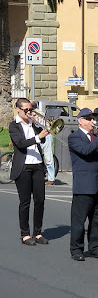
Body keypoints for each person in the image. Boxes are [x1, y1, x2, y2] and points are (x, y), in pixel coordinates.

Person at [68, 108, 98, 261]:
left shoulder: (96, 138)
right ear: (80, 120)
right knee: (79, 221)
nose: (92, 122)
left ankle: (95, 248)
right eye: (88, 119)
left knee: (97, 220)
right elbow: (86, 151)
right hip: (84, 185)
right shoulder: (74, 137)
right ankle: (76, 250)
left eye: (93, 118)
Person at [8, 98, 49, 246]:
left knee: (40, 200)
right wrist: (38, 137)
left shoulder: (34, 124)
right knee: (25, 202)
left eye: (30, 109)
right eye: (26, 110)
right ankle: (24, 234)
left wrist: (40, 125)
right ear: (18, 109)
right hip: (23, 167)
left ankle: (38, 232)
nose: (29, 112)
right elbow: (20, 144)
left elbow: (43, 141)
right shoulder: (14, 126)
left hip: (37, 164)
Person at [30, 101, 56, 185]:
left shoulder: (37, 113)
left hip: (46, 136)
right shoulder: (33, 113)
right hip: (39, 136)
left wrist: (33, 119)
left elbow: (38, 125)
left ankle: (51, 179)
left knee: (48, 157)